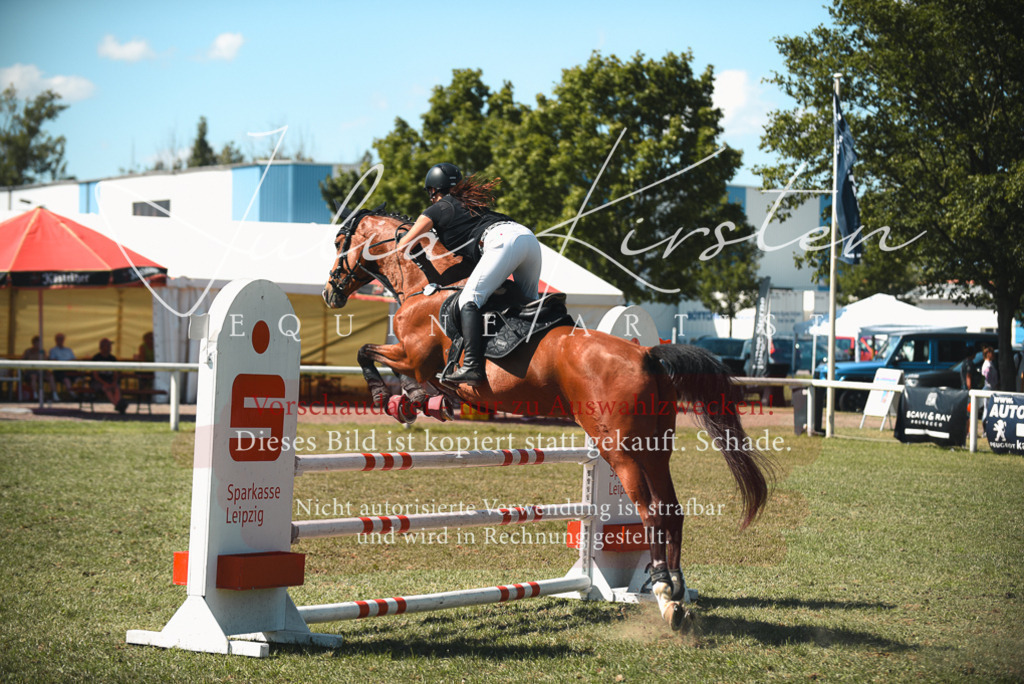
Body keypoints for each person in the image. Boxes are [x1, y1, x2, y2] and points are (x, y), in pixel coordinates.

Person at [396, 163, 542, 386]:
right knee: (530, 303)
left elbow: (404, 244)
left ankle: (472, 366)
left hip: (501, 240)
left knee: (469, 299)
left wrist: (403, 239)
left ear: (434, 190)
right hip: (527, 237)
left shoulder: (437, 208)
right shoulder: (472, 204)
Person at [92, 338, 127, 414]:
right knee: (106, 388)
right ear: (101, 347)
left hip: (110, 381)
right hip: (99, 382)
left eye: (110, 346)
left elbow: (115, 373)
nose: (110, 348)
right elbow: (96, 376)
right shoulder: (96, 358)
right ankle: (118, 405)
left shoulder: (112, 358)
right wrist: (105, 383)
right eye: (107, 346)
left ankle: (118, 405)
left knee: (116, 388)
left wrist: (114, 382)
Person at [48, 333, 76, 400]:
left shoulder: (68, 350)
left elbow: (73, 359)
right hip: (59, 370)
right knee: (65, 379)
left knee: (79, 376)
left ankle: (78, 393)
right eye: (58, 339)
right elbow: (54, 360)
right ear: (55, 340)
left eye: (61, 339)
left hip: (70, 369)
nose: (60, 340)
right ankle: (72, 394)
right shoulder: (53, 350)